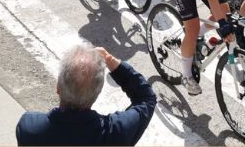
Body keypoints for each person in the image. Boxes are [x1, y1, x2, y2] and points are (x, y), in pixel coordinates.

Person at [16, 44, 156, 146]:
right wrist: (110, 59)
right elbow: (146, 98)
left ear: (58, 88)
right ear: (97, 93)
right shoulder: (116, 133)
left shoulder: (29, 127)